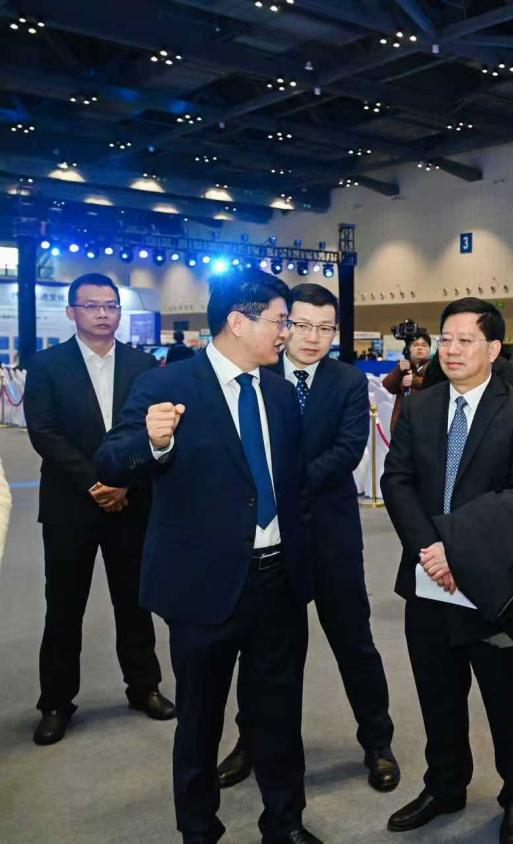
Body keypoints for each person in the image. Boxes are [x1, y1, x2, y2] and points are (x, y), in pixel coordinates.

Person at [96, 270, 320, 844]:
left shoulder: (278, 392)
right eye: (281, 321)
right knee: (200, 719)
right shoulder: (167, 384)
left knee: (279, 714)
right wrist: (154, 441)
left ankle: (285, 823)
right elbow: (111, 459)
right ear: (239, 321)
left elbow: (292, 482)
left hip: (278, 581)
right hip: (203, 586)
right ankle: (199, 830)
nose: (288, 333)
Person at [217, 283, 399, 794]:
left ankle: (377, 742)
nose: (313, 338)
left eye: (325, 328)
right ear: (283, 323)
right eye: (301, 325)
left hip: (330, 534)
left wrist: (279, 482)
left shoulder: (347, 381)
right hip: (269, 540)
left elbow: (347, 451)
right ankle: (251, 742)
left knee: (354, 643)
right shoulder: (258, 373)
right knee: (266, 653)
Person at [381, 298, 513, 844]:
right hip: (428, 577)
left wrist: (455, 547)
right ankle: (445, 785)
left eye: (465, 340)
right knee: (438, 693)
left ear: (494, 348)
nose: (451, 350)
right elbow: (396, 480)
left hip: (493, 583)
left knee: (507, 699)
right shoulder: (422, 405)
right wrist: (430, 548)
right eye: (445, 339)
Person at [24, 273, 173, 746]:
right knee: (64, 606)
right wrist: (96, 481)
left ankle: (144, 687)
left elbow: (151, 432)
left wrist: (122, 480)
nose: (103, 313)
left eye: (111, 305)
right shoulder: (47, 365)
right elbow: (44, 433)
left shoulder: (144, 365)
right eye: (91, 306)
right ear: (71, 312)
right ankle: (55, 702)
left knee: (135, 602)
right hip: (70, 505)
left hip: (131, 503)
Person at [383, 332, 432, 431]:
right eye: (415, 345)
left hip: (425, 423)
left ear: (429, 349)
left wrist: (414, 381)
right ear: (409, 349)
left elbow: (436, 385)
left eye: (424, 345)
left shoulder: (435, 368)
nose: (419, 348)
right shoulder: (405, 367)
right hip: (402, 423)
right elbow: (388, 386)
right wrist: (398, 370)